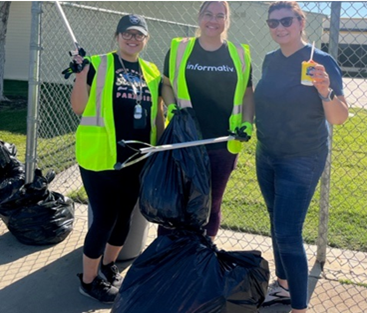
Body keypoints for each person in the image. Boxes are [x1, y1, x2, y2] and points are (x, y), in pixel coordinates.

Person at [254, 2, 349, 312]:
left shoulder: (320, 61)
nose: (279, 27)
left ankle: (299, 307)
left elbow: (339, 117)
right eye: (273, 22)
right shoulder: (269, 60)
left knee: (287, 232)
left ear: (300, 22)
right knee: (275, 220)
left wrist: (324, 91)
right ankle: (283, 287)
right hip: (267, 154)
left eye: (286, 20)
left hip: (302, 158)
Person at [70, 14, 166, 303]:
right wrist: (79, 74)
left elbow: (157, 114)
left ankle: (109, 266)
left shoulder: (152, 72)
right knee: (104, 218)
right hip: (100, 158)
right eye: (127, 33)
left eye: (139, 34)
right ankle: (88, 281)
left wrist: (161, 148)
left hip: (136, 158)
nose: (132, 38)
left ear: (145, 39)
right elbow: (78, 108)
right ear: (117, 36)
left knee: (125, 215)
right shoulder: (97, 64)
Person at [159, 1, 255, 239]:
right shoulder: (179, 49)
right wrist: (171, 107)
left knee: (211, 205)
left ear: (227, 21)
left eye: (220, 16)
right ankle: (168, 257)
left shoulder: (239, 54)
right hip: (184, 141)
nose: (213, 20)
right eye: (208, 14)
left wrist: (247, 122)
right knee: (176, 201)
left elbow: (247, 93)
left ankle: (203, 255)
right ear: (199, 17)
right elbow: (166, 84)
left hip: (222, 143)